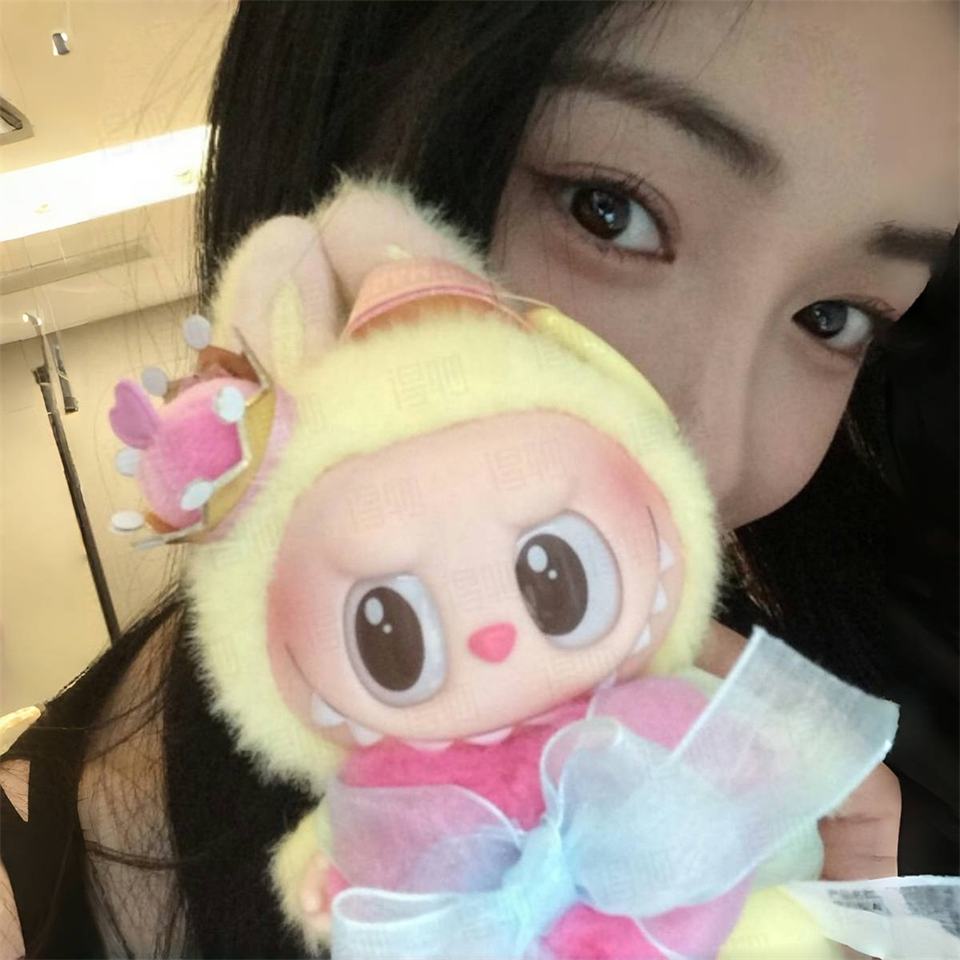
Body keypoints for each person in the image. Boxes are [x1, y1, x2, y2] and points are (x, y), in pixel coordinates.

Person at [1, 2, 956, 957]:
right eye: (607, 210)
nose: (712, 456)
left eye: (835, 317)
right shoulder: (36, 891)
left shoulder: (817, 766)